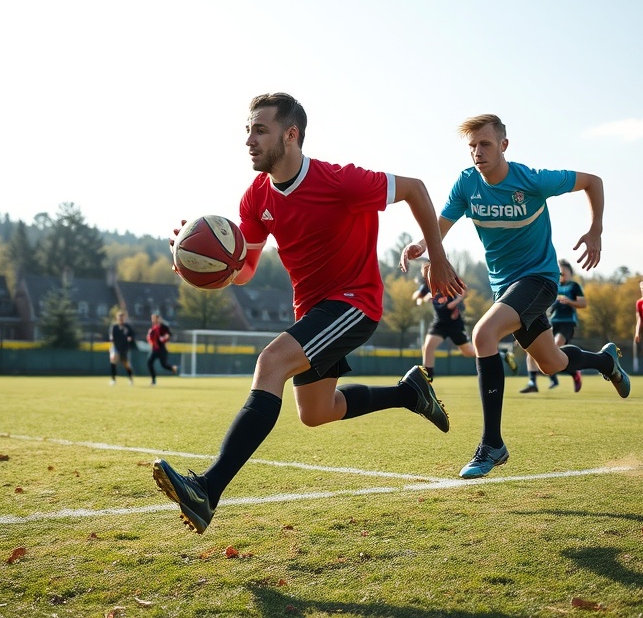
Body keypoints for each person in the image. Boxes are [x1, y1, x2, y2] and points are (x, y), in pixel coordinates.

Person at [152, 92, 464, 534]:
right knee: (316, 411)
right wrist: (201, 264)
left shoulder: (341, 181)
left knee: (270, 363)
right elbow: (243, 273)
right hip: (314, 311)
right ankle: (410, 393)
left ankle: (208, 489)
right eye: (247, 130)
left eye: (260, 130)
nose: (249, 140)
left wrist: (438, 257)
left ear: (291, 134)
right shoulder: (256, 196)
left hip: (356, 302)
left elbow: (415, 189)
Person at [401, 114, 630, 480]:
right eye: (472, 146)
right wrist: (418, 245)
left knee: (483, 335)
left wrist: (595, 229)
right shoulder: (466, 184)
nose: (478, 152)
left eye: (485, 144)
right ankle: (606, 363)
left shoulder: (533, 180)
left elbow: (593, 181)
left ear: (504, 145)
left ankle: (492, 444)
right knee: (551, 363)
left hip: (539, 279)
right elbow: (440, 227)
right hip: (504, 288)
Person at [413, 261, 518, 381]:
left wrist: (458, 300)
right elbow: (417, 296)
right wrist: (420, 298)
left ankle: (502, 355)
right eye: (424, 271)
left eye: (428, 270)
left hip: (454, 324)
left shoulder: (449, 280)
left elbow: (461, 293)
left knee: (468, 352)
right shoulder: (427, 285)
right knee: (428, 347)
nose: (426, 273)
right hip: (439, 323)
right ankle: (427, 381)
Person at [521, 259, 586, 394]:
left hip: (567, 322)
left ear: (570, 272)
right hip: (551, 322)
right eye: (559, 271)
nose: (561, 273)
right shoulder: (552, 285)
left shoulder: (574, 286)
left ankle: (568, 374)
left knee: (555, 348)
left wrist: (569, 301)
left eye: (564, 271)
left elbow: (583, 303)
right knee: (533, 351)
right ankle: (533, 382)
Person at [146, 312, 178, 384]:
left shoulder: (164, 327)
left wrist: (164, 337)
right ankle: (153, 380)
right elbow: (150, 338)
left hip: (162, 349)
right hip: (154, 349)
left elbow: (168, 335)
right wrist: (149, 336)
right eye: (152, 318)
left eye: (154, 318)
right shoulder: (153, 328)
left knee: (163, 365)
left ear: (158, 318)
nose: (153, 320)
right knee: (149, 362)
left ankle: (173, 368)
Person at [108, 310, 136, 385]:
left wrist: (130, 338)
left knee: (126, 364)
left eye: (122, 317)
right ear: (117, 318)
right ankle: (113, 380)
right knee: (113, 359)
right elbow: (111, 335)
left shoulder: (127, 327)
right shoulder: (114, 327)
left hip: (125, 348)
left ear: (124, 318)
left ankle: (130, 379)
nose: (121, 318)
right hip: (116, 347)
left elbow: (133, 335)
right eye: (119, 317)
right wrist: (111, 340)